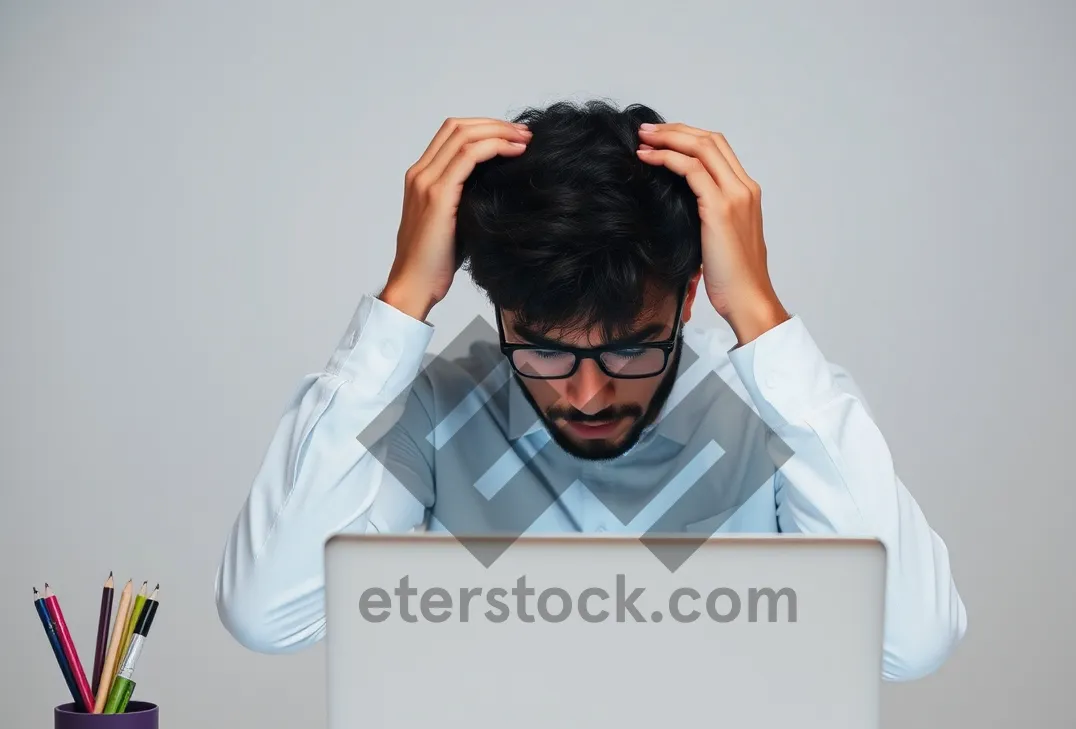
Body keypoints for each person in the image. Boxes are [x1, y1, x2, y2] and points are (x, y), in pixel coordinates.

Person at [215, 99, 967, 681]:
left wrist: (761, 317)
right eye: (543, 351)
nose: (586, 396)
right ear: (498, 309)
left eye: (631, 350)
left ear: (692, 296)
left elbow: (911, 642)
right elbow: (268, 614)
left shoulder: (776, 403)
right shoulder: (432, 408)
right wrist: (404, 300)